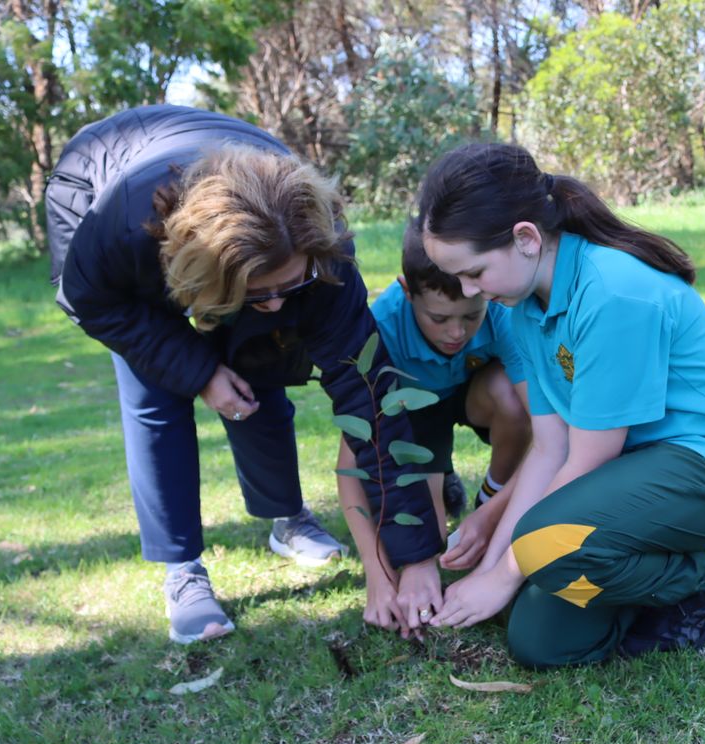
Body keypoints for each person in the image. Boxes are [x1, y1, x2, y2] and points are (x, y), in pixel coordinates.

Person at [46, 105, 442, 644]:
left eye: (288, 286)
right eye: (258, 293)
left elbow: (369, 400)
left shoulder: (323, 249)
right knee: (156, 388)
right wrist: (200, 370)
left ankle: (287, 517)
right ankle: (183, 569)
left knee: (258, 366)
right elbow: (90, 303)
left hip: (223, 194)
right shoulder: (119, 233)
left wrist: (415, 557)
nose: (276, 305)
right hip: (101, 187)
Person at [416, 143, 705, 668]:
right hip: (629, 474)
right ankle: (642, 573)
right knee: (542, 644)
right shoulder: (524, 311)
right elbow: (550, 450)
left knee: (543, 548)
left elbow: (588, 459)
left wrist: (505, 574)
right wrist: (490, 570)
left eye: (474, 272)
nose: (468, 290)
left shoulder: (612, 292)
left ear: (525, 238)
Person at [336, 221, 531, 632]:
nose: (456, 333)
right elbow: (350, 465)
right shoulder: (380, 330)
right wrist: (378, 572)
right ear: (407, 291)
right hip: (412, 408)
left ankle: (491, 496)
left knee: (513, 400)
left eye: (471, 316)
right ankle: (442, 487)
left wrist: (493, 513)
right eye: (439, 318)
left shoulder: (502, 312)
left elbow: (552, 434)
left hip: (477, 389)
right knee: (430, 537)